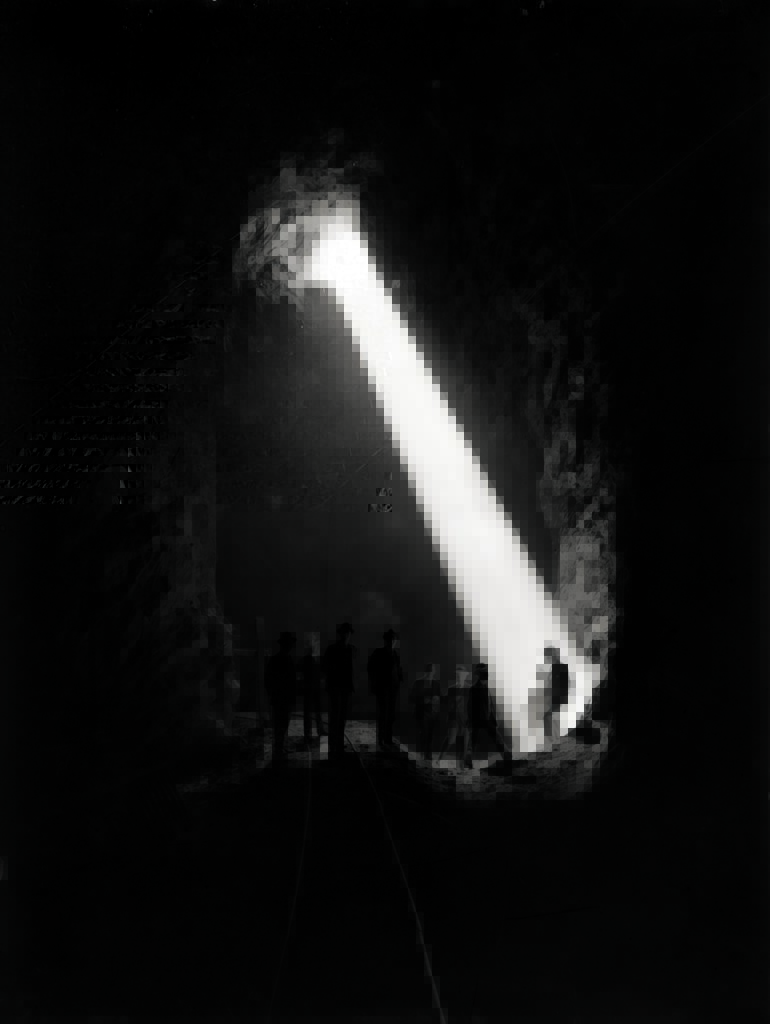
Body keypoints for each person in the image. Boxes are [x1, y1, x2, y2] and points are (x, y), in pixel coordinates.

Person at [321, 622, 356, 763]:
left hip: (343, 687)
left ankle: (337, 745)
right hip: (337, 687)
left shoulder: (349, 650)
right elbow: (327, 667)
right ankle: (334, 745)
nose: (346, 635)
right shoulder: (337, 649)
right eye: (345, 633)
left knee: (340, 718)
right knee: (336, 717)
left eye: (348, 633)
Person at [264, 631, 298, 767]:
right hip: (283, 698)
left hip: (280, 698)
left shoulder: (276, 659)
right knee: (281, 724)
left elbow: (268, 679)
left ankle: (279, 748)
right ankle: (278, 750)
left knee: (280, 724)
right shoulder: (285, 659)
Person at [367, 628, 404, 752]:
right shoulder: (379, 653)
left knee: (391, 714)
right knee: (383, 713)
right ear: (386, 641)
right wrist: (374, 684)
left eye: (393, 640)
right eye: (390, 640)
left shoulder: (395, 655)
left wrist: (400, 678)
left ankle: (387, 738)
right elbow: (371, 669)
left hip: (393, 688)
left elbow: (398, 670)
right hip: (382, 688)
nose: (392, 642)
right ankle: (381, 739)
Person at [437, 664, 474, 769]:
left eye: (461, 674)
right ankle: (439, 760)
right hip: (454, 719)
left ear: (465, 676)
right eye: (457, 674)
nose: (459, 676)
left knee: (464, 744)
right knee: (450, 739)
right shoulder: (451, 689)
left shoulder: (470, 689)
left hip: (466, 720)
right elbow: (443, 701)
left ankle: (461, 767)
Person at [299, 631, 326, 747]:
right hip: (309, 688)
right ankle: (308, 735)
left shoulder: (317, 658)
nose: (312, 643)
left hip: (316, 688)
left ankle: (319, 730)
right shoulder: (307, 659)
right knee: (308, 712)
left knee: (317, 711)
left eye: (313, 640)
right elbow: (301, 673)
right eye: (310, 641)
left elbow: (322, 672)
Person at [411, 663, 441, 760]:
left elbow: (440, 697)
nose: (430, 673)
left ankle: (427, 755)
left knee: (430, 734)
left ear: (434, 672)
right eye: (428, 671)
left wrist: (436, 700)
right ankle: (423, 754)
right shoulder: (418, 683)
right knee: (424, 733)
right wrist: (423, 700)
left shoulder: (436, 684)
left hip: (432, 712)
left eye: (431, 671)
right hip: (421, 712)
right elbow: (412, 698)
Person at [542, 646, 570, 744]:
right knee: (552, 718)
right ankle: (554, 740)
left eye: (547, 655)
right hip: (551, 698)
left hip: (557, 698)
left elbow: (565, 684)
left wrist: (561, 698)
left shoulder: (561, 667)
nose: (546, 658)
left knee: (549, 718)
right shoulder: (552, 668)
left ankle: (552, 741)